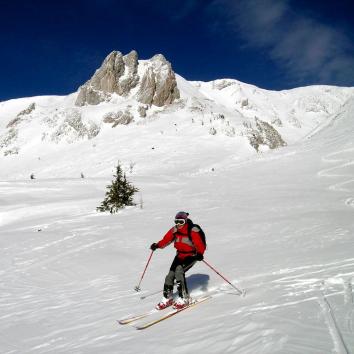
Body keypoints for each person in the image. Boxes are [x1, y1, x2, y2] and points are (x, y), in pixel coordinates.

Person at [150, 211, 206, 310]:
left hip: (192, 255)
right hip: (180, 255)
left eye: (181, 222)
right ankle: (167, 298)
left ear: (185, 221)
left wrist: (200, 254)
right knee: (170, 276)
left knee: (179, 271)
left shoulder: (192, 230)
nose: (178, 224)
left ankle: (184, 298)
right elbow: (166, 240)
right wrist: (157, 245)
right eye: (176, 221)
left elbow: (200, 244)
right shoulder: (174, 230)